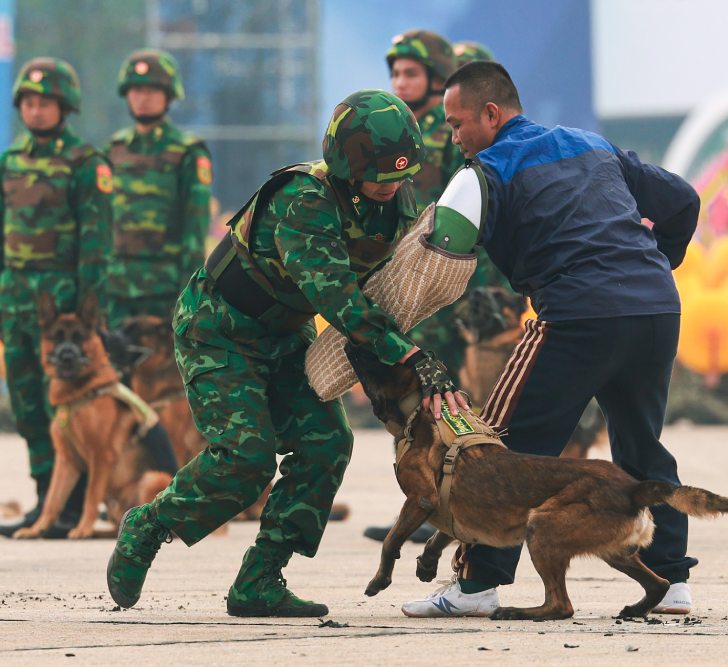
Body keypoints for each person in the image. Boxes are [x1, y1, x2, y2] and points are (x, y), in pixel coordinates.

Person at [106, 89, 467, 617]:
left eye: (401, 175)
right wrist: (406, 355)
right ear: (348, 164)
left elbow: (395, 278)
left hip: (284, 331)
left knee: (326, 443)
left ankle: (260, 580)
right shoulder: (303, 198)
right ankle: (150, 525)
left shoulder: (394, 201)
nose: (393, 187)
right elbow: (336, 295)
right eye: (381, 176)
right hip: (220, 328)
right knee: (246, 459)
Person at [400, 61, 701, 618]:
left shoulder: (488, 169)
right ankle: (672, 581)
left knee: (500, 448)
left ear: (491, 114)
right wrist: (659, 264)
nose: (454, 136)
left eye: (457, 122)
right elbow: (682, 200)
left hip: (577, 314)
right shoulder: (590, 143)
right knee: (641, 445)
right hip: (655, 308)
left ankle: (476, 586)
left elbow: (439, 248)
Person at [364, 32, 510, 544]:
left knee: (441, 400)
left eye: (411, 74)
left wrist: (479, 289)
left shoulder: (450, 131)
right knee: (402, 404)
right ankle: (419, 500)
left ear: (436, 76)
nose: (401, 83)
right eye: (396, 74)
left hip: (442, 288)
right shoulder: (390, 128)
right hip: (402, 284)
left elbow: (467, 210)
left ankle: (453, 503)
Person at [0, 58, 112, 538]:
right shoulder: (10, 162)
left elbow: (96, 239)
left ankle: (73, 505)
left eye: (45, 102)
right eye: (28, 101)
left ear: (64, 106)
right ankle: (46, 497)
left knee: (66, 405)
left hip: (63, 304)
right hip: (15, 298)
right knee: (28, 402)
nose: (36, 109)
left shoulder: (85, 164)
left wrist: (88, 306)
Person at [105, 49, 212, 329]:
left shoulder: (187, 152)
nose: (142, 98)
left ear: (168, 96)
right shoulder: (114, 150)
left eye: (152, 90)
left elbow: (195, 227)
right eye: (136, 90)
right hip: (117, 289)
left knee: (161, 372)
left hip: (164, 291)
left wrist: (188, 293)